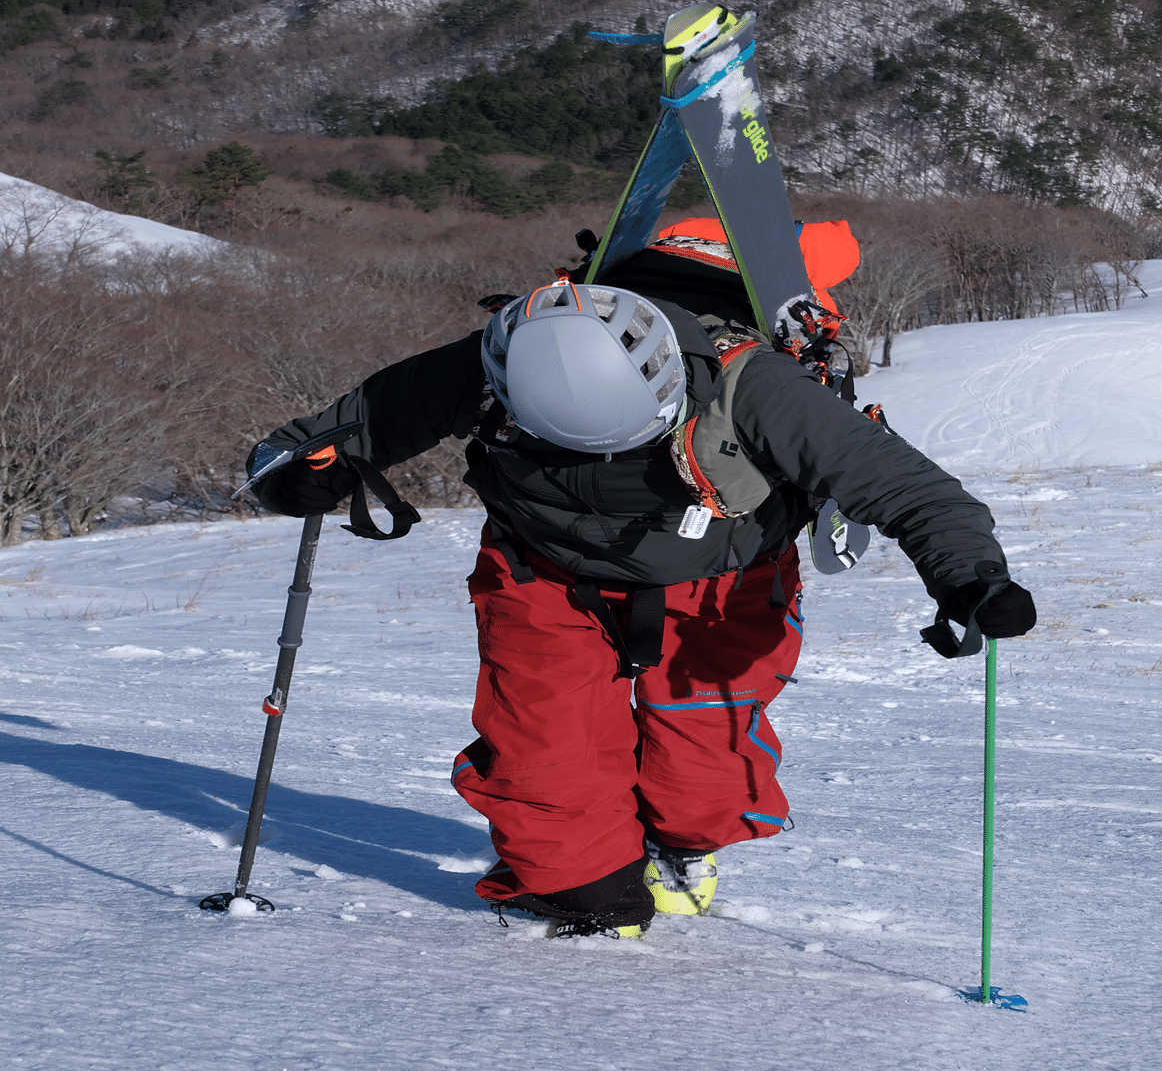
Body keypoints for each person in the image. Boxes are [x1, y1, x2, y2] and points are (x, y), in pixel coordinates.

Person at [248, 219, 1036, 938]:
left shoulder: (752, 384)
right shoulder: (499, 356)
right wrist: (296, 475)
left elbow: (908, 489)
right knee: (544, 755)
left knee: (703, 778)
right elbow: (319, 436)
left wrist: (971, 579)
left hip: (721, 581)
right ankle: (580, 893)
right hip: (542, 572)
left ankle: (683, 845)